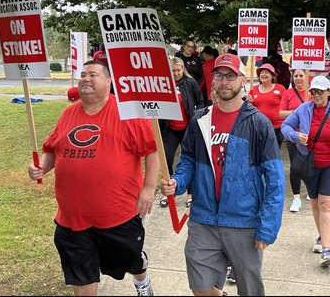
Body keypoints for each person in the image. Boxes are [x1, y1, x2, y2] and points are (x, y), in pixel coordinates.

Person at [27, 61, 159, 296]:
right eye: (83, 75)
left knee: (131, 260)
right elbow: (52, 150)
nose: (86, 78)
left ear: (109, 82)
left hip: (119, 216)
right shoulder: (68, 114)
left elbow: (151, 151)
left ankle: (142, 279)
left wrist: (148, 188)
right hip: (73, 220)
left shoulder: (127, 113)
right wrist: (41, 167)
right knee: (82, 275)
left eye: (93, 75)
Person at [160, 53, 285, 296]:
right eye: (219, 75)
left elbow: (275, 180)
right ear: (213, 79)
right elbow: (188, 161)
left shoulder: (258, 124)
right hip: (203, 219)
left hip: (244, 221)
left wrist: (268, 227)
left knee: (250, 290)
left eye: (231, 76)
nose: (224, 81)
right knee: (200, 285)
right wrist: (178, 181)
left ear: (242, 81)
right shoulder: (200, 120)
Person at [281, 75, 330, 267]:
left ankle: (327, 249)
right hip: (311, 163)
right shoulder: (303, 109)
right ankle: (322, 236)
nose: (315, 95)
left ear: (329, 92)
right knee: (315, 203)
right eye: (313, 91)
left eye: (320, 92)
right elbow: (285, 126)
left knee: (328, 203)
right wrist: (296, 136)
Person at [159, 57, 204, 208]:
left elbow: (200, 101)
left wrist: (197, 116)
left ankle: (190, 194)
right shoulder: (164, 83)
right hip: (169, 128)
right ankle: (169, 192)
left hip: (187, 128)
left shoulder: (190, 83)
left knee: (190, 159)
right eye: (173, 71)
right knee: (167, 159)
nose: (176, 73)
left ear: (183, 69)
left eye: (178, 70)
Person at [279, 68, 311, 212]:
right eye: (296, 76)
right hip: (293, 136)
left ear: (306, 76)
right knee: (295, 166)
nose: (298, 78)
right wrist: (298, 112)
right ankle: (296, 197)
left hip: (311, 135)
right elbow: (281, 114)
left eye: (301, 75)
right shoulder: (288, 93)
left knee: (311, 164)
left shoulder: (312, 91)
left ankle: (311, 189)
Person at [245, 63, 287, 149]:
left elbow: (286, 106)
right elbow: (248, 109)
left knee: (273, 153)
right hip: (258, 127)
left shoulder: (280, 88)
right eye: (262, 72)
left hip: (277, 128)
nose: (263, 74)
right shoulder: (254, 89)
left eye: (266, 72)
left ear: (272, 76)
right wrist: (248, 102)